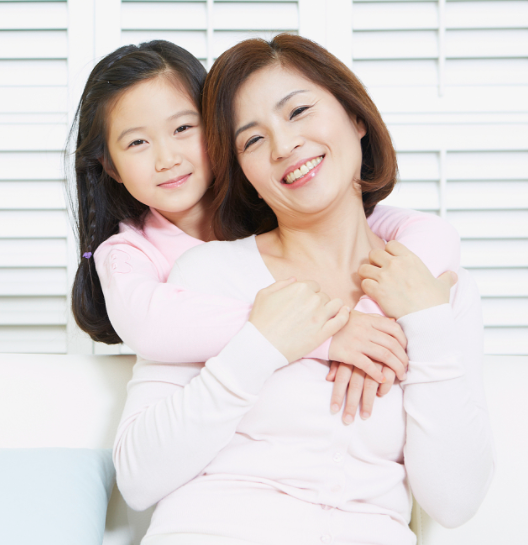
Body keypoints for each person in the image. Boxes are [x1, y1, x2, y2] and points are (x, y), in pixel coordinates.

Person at [113, 34, 494, 544]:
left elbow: (455, 502)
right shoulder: (208, 274)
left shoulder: (434, 285)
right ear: (244, 173)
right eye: (252, 140)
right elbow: (138, 478)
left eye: (298, 111)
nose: (284, 145)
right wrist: (259, 345)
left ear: (356, 117)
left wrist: (426, 322)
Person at [68, 40, 461, 422]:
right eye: (137, 142)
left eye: (183, 127)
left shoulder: (275, 204)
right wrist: (326, 334)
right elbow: (150, 326)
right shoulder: (127, 253)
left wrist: (375, 319)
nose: (167, 159)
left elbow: (426, 231)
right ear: (110, 166)